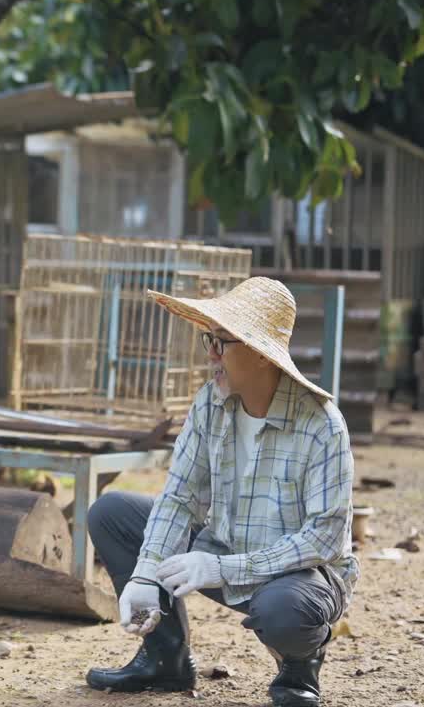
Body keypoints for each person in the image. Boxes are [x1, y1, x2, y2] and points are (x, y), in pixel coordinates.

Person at [85, 277, 358, 707]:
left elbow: (324, 538)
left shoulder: (322, 425)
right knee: (112, 513)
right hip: (222, 547)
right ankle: (166, 659)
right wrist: (145, 571)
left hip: (301, 575)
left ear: (262, 353)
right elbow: (179, 497)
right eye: (207, 339)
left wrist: (222, 568)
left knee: (284, 613)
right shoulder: (209, 403)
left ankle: (298, 671)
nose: (210, 354)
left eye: (222, 342)